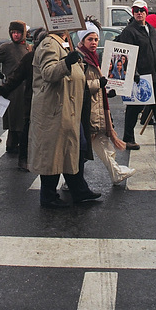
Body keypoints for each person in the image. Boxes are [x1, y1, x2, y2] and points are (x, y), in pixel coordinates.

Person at [28, 30, 101, 208]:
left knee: (70, 151)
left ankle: (79, 190)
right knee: (53, 154)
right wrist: (67, 62)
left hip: (67, 111)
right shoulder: (49, 43)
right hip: (55, 110)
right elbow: (48, 73)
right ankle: (48, 196)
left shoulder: (63, 42)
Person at [116, 0, 156, 149]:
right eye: (136, 11)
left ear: (146, 12)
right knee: (134, 108)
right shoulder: (129, 31)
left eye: (142, 10)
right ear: (133, 13)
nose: (139, 13)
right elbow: (127, 54)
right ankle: (128, 138)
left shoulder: (151, 30)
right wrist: (134, 72)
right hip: (140, 77)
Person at [77, 21, 136, 185]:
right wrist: (99, 85)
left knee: (99, 145)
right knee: (82, 150)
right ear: (82, 41)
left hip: (96, 110)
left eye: (96, 39)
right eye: (90, 39)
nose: (94, 42)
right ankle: (71, 182)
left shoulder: (92, 57)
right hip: (86, 112)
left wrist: (107, 91)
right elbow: (77, 87)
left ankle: (115, 173)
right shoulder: (80, 60)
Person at [0, 27, 47, 171]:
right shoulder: (30, 57)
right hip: (32, 99)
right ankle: (23, 158)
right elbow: (16, 77)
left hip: (50, 101)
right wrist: (3, 89)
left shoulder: (53, 57)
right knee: (26, 128)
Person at [0, 21, 30, 154]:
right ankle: (12, 144)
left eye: (18, 32)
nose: (16, 35)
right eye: (13, 33)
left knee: (23, 118)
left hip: (26, 88)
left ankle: (17, 144)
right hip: (12, 88)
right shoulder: (6, 48)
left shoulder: (29, 48)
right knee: (14, 119)